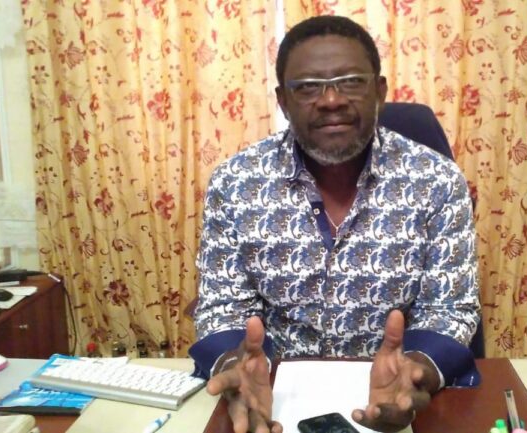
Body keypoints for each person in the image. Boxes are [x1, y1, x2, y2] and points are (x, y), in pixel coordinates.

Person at [189, 15, 480, 433]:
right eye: (308, 87)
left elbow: (450, 308)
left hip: (397, 398)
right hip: (274, 398)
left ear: (379, 91)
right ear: (283, 101)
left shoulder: (436, 181)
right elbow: (222, 307)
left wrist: (415, 373)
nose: (330, 100)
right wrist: (234, 363)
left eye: (351, 82)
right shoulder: (236, 182)